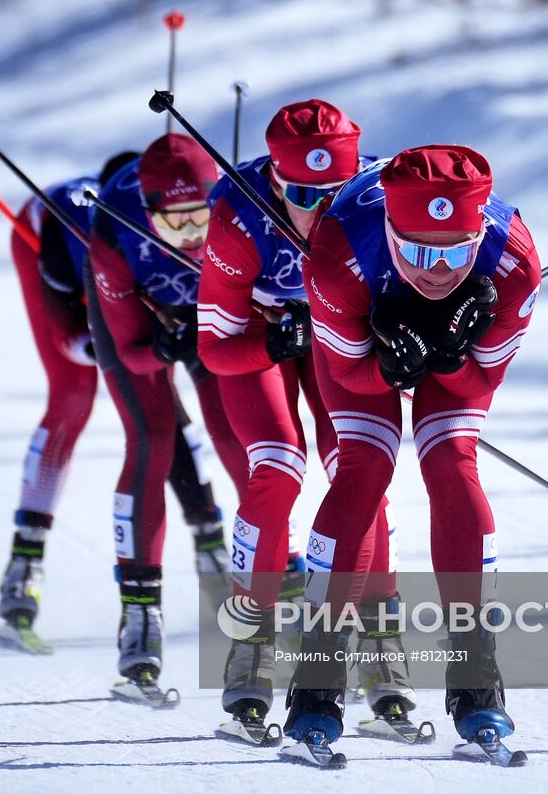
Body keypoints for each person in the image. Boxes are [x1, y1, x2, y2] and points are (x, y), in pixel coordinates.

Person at [283, 143, 542, 753]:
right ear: (391, 231)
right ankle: (316, 681)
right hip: (360, 349)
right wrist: (386, 361)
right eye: (419, 251)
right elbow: (348, 377)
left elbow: (480, 382)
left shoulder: (515, 265)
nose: (437, 270)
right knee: (364, 468)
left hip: (453, 358)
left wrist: (448, 359)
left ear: (480, 232)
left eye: (456, 250)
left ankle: (478, 681)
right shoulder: (338, 249)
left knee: (453, 465)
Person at [196, 100, 410, 740]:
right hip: (262, 339)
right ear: (273, 183)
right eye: (301, 194)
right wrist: (276, 339)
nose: (319, 210)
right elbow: (214, 348)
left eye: (334, 193)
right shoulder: (238, 215)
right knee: (279, 467)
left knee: (359, 469)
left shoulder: (379, 202)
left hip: (339, 341)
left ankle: (379, 646)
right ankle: (251, 645)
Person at [0, 150, 232, 653]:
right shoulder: (72, 243)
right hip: (47, 245)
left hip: (138, 263)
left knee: (172, 402)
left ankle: (213, 553)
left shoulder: (177, 226)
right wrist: (136, 343)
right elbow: (73, 342)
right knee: (74, 394)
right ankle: (24, 565)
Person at [87, 133, 251, 693]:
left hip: (210, 318)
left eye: (199, 219)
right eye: (172, 223)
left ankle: (280, 595)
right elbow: (130, 350)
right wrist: (160, 346)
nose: (189, 236)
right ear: (149, 212)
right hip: (145, 324)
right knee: (151, 440)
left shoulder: (238, 209)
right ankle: (140, 617)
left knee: (239, 439)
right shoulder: (116, 226)